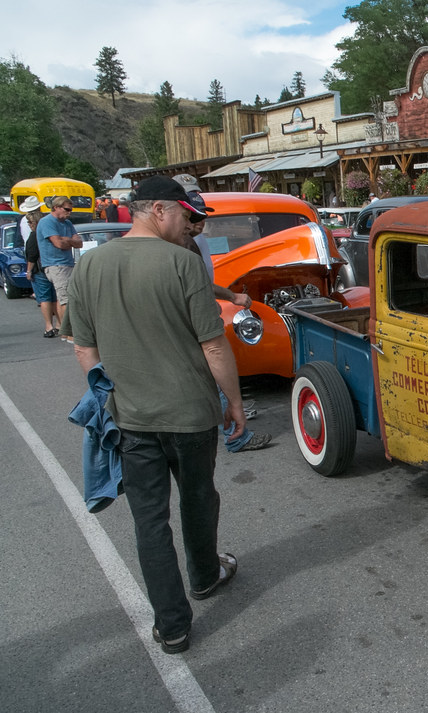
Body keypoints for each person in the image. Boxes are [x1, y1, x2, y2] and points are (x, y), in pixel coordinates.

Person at [66, 175, 244, 655]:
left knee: (150, 522)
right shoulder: (183, 264)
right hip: (190, 415)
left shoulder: (90, 266)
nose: (192, 227)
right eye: (187, 217)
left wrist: (111, 396)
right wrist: (236, 404)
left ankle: (173, 626)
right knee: (198, 499)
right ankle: (205, 577)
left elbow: (85, 347)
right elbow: (213, 344)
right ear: (160, 210)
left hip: (130, 418)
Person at [171, 176, 272, 453]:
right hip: (194, 315)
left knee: (211, 372)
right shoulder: (180, 244)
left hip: (201, 308)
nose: (199, 219)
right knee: (214, 365)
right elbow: (196, 283)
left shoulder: (194, 239)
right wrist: (230, 297)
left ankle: (228, 417)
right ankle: (235, 433)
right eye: (192, 213)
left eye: (201, 212)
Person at [36, 195, 82, 330]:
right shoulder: (47, 222)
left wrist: (67, 240)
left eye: (70, 210)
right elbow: (58, 244)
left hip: (67, 263)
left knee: (65, 298)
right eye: (67, 209)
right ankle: (68, 331)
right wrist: (68, 241)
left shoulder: (67, 223)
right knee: (65, 300)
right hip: (55, 265)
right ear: (56, 207)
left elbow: (79, 243)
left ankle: (63, 327)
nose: (69, 213)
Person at [23, 204, 60, 337]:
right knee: (55, 298)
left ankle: (48, 326)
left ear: (35, 222)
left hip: (40, 270)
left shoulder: (34, 236)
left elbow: (32, 256)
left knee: (44, 299)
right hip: (52, 267)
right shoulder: (50, 232)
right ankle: (59, 324)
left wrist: (28, 271)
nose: (28, 224)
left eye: (30, 222)